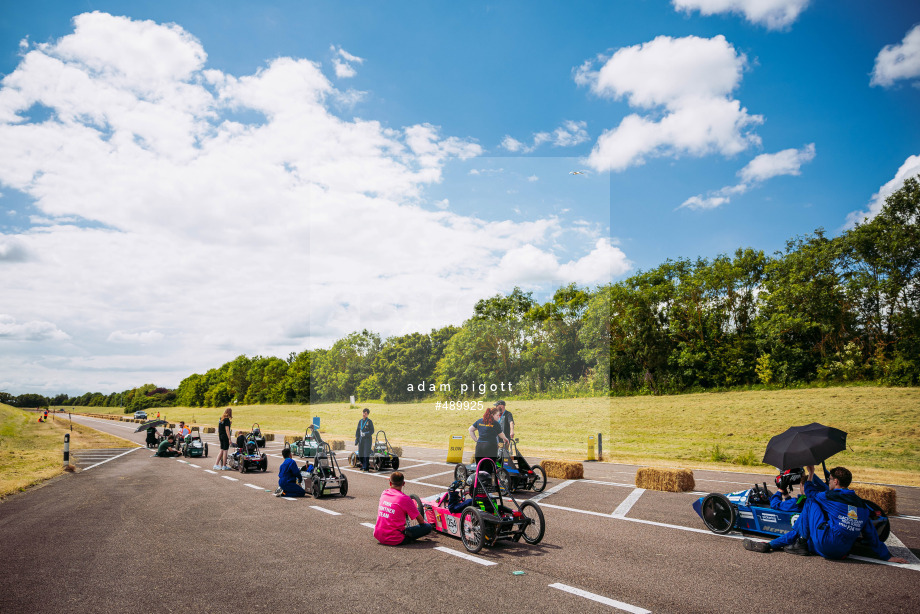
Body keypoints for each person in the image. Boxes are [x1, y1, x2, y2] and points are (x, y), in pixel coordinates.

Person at [744, 465, 908, 563]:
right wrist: (887, 556)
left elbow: (809, 493)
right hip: (842, 551)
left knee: (810, 502)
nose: (828, 482)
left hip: (825, 544)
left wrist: (810, 474)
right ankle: (776, 545)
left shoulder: (830, 497)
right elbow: (871, 534)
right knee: (812, 529)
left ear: (836, 482)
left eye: (829, 480)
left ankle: (793, 542)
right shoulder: (863, 505)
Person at [373, 471, 432, 545]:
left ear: (390, 483)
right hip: (395, 539)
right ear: (403, 484)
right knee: (427, 527)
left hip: (378, 535)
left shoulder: (384, 493)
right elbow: (421, 520)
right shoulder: (405, 499)